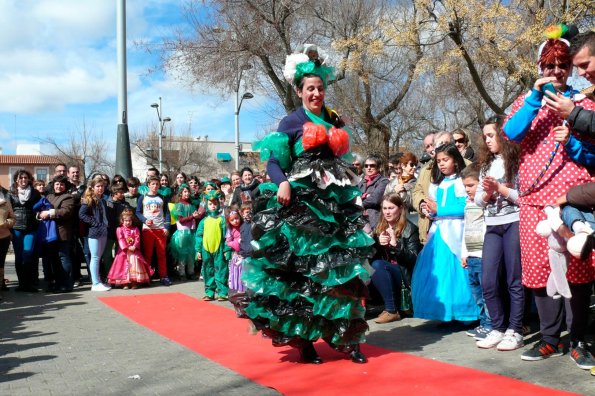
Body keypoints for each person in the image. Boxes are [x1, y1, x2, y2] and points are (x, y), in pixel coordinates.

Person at [232, 47, 373, 365]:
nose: (316, 93)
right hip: (302, 207)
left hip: (334, 205)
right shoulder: (291, 121)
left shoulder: (334, 118)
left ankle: (347, 339)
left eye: (320, 88)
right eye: (310, 88)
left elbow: (342, 162)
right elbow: (273, 161)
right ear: (299, 91)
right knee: (304, 277)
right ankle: (305, 340)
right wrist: (281, 181)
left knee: (339, 273)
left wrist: (352, 195)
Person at [502, 27, 595, 369]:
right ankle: (550, 338)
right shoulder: (525, 101)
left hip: (572, 200)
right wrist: (532, 98)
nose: (557, 72)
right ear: (540, 68)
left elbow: (592, 156)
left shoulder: (584, 101)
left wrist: (571, 137)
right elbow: (510, 133)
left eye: (563, 65)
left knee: (578, 267)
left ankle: (579, 339)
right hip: (533, 202)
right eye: (550, 65)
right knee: (539, 271)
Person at [473, 116, 524, 351]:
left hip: (513, 222)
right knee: (489, 279)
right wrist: (486, 194)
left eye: (491, 135)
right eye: (485, 137)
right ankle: (497, 327)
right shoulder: (485, 165)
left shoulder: (517, 161)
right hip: (492, 225)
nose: (488, 140)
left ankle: (515, 329)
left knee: (514, 279)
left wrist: (500, 188)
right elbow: (477, 201)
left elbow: (524, 198)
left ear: (503, 136)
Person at [411, 144, 479, 322]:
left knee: (457, 271)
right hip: (439, 230)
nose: (441, 164)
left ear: (456, 161)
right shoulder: (437, 183)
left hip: (457, 230)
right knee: (438, 270)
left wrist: (439, 209)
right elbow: (434, 207)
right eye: (439, 161)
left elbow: (464, 207)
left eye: (445, 160)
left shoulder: (460, 182)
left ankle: (465, 312)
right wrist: (429, 210)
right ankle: (443, 312)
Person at [370, 193, 421, 324]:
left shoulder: (410, 229)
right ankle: (389, 308)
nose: (387, 212)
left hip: (405, 276)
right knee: (376, 266)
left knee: (379, 267)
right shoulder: (379, 228)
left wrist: (395, 245)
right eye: (385, 208)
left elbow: (414, 259)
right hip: (386, 275)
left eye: (391, 208)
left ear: (400, 208)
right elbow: (372, 259)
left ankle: (391, 310)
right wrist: (377, 244)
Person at [460, 164, 492, 342]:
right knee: (477, 293)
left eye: (471, 185)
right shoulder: (468, 205)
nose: (467, 189)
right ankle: (484, 322)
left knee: (487, 293)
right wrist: (464, 252)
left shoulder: (485, 204)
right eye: (465, 186)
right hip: (471, 255)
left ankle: (491, 324)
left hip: (483, 255)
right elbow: (466, 229)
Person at [544, 30, 595, 136]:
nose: (580, 73)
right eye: (577, 68)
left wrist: (574, 113)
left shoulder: (584, 101)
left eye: (585, 65)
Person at [412, 131, 453, 244]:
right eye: (428, 146)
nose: (431, 149)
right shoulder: (425, 169)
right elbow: (416, 191)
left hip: (454, 230)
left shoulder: (466, 165)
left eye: (433, 144)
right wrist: (422, 204)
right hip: (429, 229)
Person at [40, 175, 75, 293]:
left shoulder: (68, 197)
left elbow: (66, 212)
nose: (59, 186)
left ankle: (66, 284)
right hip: (49, 233)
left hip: (61, 232)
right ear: (53, 185)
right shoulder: (49, 196)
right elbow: (41, 209)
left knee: (63, 257)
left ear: (65, 186)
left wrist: (49, 213)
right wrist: (39, 214)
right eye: (57, 184)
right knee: (54, 259)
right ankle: (57, 283)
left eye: (61, 184)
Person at [9, 170, 41, 292]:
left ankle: (28, 284)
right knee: (19, 257)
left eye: (25, 177)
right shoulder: (11, 193)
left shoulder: (35, 193)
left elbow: (40, 208)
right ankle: (21, 284)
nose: (23, 179)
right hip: (16, 228)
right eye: (21, 177)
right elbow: (8, 210)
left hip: (31, 228)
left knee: (28, 255)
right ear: (16, 179)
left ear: (29, 179)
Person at [136, 176, 172, 286]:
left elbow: (167, 213)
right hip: (148, 230)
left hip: (160, 229)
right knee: (148, 254)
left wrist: (166, 227)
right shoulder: (143, 197)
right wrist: (145, 220)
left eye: (157, 184)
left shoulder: (162, 197)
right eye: (153, 184)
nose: (155, 186)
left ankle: (163, 276)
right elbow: (137, 212)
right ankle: (147, 276)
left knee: (161, 254)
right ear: (148, 185)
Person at [195, 190, 229, 301]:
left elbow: (226, 236)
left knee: (221, 270)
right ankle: (209, 292)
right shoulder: (203, 221)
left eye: (215, 204)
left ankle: (222, 292)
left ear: (218, 204)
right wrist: (198, 250)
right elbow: (199, 236)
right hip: (206, 250)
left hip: (218, 249)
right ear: (206, 205)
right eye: (210, 204)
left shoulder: (222, 220)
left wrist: (226, 249)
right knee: (207, 270)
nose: (213, 206)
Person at [107, 208, 153, 289]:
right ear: (122, 220)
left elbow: (137, 238)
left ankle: (134, 282)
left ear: (132, 221)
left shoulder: (135, 229)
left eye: (129, 221)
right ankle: (124, 283)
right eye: (126, 221)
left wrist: (134, 246)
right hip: (123, 251)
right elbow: (120, 239)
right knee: (123, 266)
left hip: (134, 251)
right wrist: (126, 247)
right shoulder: (119, 229)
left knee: (134, 266)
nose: (128, 222)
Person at [79, 176, 111, 292]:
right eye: (98, 186)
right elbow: (82, 214)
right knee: (95, 257)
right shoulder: (88, 199)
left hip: (103, 231)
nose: (100, 188)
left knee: (98, 257)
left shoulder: (102, 199)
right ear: (92, 187)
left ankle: (98, 281)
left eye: (102, 186)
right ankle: (95, 283)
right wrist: (95, 223)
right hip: (94, 232)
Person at [169, 184, 198, 280]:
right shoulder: (178, 206)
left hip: (191, 232)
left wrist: (196, 216)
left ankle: (191, 271)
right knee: (182, 253)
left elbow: (195, 217)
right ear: (180, 193)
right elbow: (181, 220)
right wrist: (192, 216)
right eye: (185, 191)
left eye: (188, 191)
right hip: (182, 233)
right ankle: (182, 273)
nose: (187, 193)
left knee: (191, 253)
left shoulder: (191, 205)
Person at [358, 155, 389, 230]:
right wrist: (366, 195)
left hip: (375, 220)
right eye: (366, 166)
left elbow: (375, 199)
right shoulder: (361, 182)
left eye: (372, 165)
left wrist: (359, 203)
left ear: (378, 167)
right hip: (360, 219)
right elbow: (354, 196)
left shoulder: (384, 181)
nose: (369, 168)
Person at [0, 183, 15, 299]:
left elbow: (13, 218)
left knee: (0, 262)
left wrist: (6, 224)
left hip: (3, 236)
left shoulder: (5, 202)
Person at [225, 208, 244, 294]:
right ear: (229, 221)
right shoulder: (230, 230)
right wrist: (237, 242)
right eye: (232, 220)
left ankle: (244, 288)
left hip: (245, 253)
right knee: (236, 271)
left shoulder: (243, 226)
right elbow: (228, 242)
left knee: (244, 271)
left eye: (236, 218)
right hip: (237, 254)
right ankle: (237, 287)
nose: (235, 221)